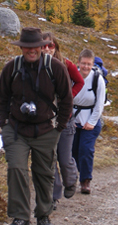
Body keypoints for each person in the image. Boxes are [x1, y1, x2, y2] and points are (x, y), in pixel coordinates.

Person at [0, 27, 73, 225]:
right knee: (16, 169)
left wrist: (60, 127)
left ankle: (43, 216)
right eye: (27, 47)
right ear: (21, 48)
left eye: (35, 47)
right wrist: (4, 124)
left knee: (44, 174)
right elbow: (2, 97)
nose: (31, 51)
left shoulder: (55, 68)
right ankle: (20, 217)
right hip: (16, 129)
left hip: (46, 130)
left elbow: (66, 99)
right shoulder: (11, 68)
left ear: (43, 47)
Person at [41, 32, 84, 209]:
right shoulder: (37, 66)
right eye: (43, 46)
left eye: (50, 45)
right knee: (49, 159)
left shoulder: (67, 64)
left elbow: (79, 81)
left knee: (64, 159)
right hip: (45, 121)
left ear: (56, 47)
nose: (46, 49)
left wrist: (69, 97)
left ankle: (71, 180)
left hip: (65, 119)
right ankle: (53, 195)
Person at [72, 49, 106, 194]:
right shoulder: (71, 77)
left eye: (89, 64)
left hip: (91, 119)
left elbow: (99, 104)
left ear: (92, 64)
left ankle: (85, 181)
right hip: (73, 119)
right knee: (72, 151)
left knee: (85, 150)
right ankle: (72, 178)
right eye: (83, 63)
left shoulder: (97, 79)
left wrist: (91, 122)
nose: (85, 67)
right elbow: (65, 99)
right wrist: (69, 119)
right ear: (78, 63)